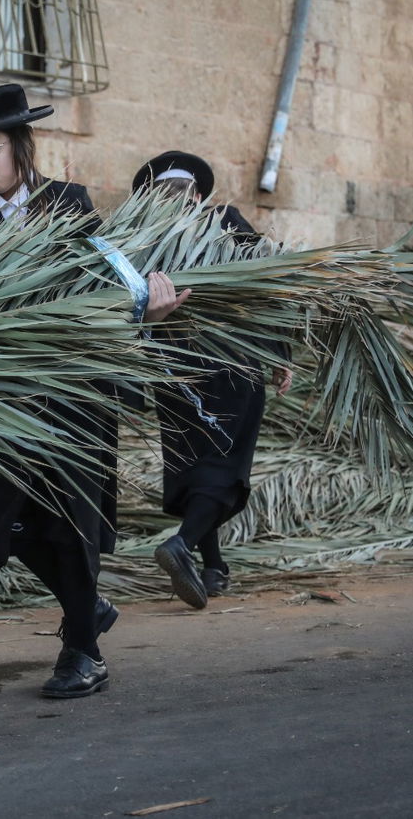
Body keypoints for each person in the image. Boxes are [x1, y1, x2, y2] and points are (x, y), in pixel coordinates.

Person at [0, 85, 186, 697]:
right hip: (2, 399)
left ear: (22, 145)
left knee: (68, 522)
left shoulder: (67, 204)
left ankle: (83, 651)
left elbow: (110, 286)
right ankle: (88, 607)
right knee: (5, 527)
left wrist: (146, 311)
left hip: (72, 392)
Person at [131, 151, 293, 609]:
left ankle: (214, 568)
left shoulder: (142, 243)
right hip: (231, 365)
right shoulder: (222, 220)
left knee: (193, 465)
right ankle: (182, 544)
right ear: (199, 196)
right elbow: (266, 288)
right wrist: (277, 352)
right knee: (223, 467)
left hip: (173, 372)